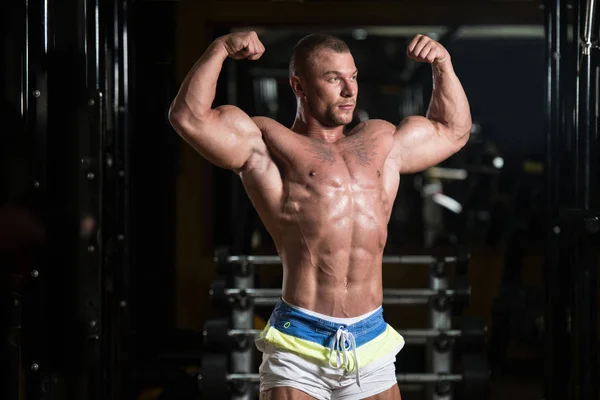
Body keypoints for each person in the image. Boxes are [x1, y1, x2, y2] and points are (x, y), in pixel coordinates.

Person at [169, 31, 471, 400]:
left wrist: (443, 63)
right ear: (299, 85)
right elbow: (189, 117)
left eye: (353, 77)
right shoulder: (268, 144)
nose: (349, 90)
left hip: (371, 340)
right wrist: (218, 49)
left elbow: (451, 131)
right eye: (333, 79)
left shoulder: (381, 141)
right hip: (300, 345)